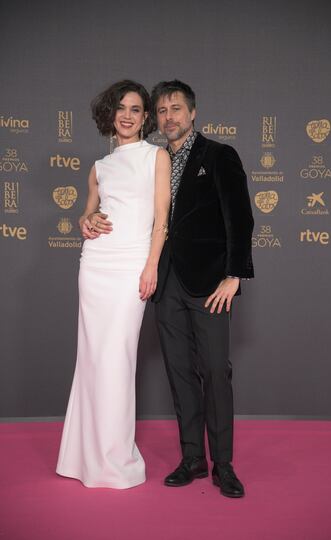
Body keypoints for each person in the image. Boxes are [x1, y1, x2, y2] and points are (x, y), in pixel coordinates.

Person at [56, 80, 171, 489]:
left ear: (145, 118)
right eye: (121, 107)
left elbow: (161, 219)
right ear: (111, 113)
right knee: (91, 359)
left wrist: (150, 266)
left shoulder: (156, 157)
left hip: (131, 267)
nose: (127, 115)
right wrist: (85, 223)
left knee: (117, 360)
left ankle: (115, 459)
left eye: (136, 109)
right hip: (96, 266)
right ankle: (81, 458)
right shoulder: (99, 167)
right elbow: (87, 216)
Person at [151, 80, 254, 498]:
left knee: (214, 370)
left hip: (211, 282)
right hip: (166, 281)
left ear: (192, 113)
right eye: (161, 111)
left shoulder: (219, 155)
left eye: (176, 108)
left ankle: (223, 464)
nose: (169, 117)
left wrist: (235, 274)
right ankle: (192, 457)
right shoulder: (152, 161)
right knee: (179, 371)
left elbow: (240, 217)